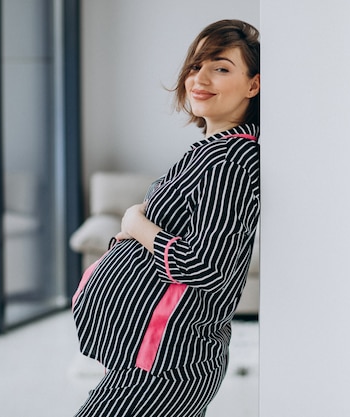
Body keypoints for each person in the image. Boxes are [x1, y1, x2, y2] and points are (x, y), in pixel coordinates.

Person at [71, 19, 260, 417]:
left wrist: (138, 226)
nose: (199, 77)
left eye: (221, 67)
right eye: (195, 65)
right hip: (151, 358)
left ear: (253, 86)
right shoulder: (211, 151)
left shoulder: (231, 161)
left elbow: (209, 268)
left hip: (168, 364)